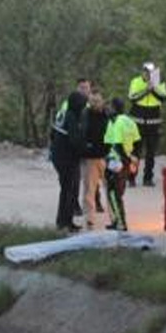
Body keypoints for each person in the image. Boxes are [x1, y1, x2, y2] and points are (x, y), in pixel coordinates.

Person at [49, 89, 87, 233]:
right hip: (66, 159)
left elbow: (52, 133)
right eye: (82, 105)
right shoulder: (71, 116)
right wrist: (85, 149)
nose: (83, 108)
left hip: (59, 156)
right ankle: (64, 222)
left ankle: (65, 221)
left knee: (67, 190)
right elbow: (75, 140)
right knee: (68, 190)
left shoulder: (63, 113)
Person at [103, 97, 140, 231]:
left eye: (109, 106)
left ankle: (121, 223)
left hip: (117, 162)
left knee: (114, 194)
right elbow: (137, 142)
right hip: (125, 161)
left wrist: (125, 159)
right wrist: (133, 158)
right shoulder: (130, 121)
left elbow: (117, 145)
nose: (107, 109)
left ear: (114, 108)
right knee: (118, 193)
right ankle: (117, 221)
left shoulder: (117, 122)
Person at [128, 62, 166, 186]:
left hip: (153, 123)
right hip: (137, 123)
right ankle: (131, 178)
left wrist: (153, 88)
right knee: (135, 152)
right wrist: (146, 90)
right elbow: (133, 98)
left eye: (150, 72)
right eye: (145, 71)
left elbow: (163, 98)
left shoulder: (159, 83)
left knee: (151, 153)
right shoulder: (135, 81)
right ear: (142, 71)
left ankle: (148, 178)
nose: (147, 74)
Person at [80, 93, 112, 230]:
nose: (96, 103)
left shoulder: (107, 115)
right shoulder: (85, 115)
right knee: (89, 190)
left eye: (98, 101)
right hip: (90, 158)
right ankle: (90, 220)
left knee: (110, 189)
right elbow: (81, 134)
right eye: (93, 101)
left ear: (102, 102)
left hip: (105, 157)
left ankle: (115, 218)